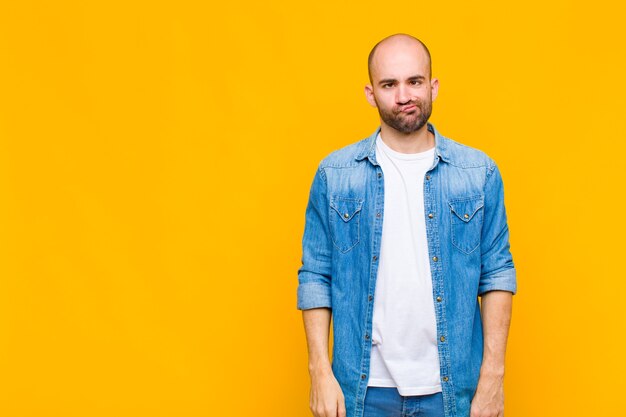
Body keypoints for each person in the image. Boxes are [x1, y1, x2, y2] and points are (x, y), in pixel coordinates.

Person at [297, 33, 517, 417]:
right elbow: (316, 274)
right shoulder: (336, 175)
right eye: (389, 84)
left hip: (452, 391)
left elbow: (496, 274)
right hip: (362, 390)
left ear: (433, 86)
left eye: (414, 81)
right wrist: (319, 371)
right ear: (370, 93)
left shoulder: (477, 173)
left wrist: (493, 377)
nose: (404, 96)